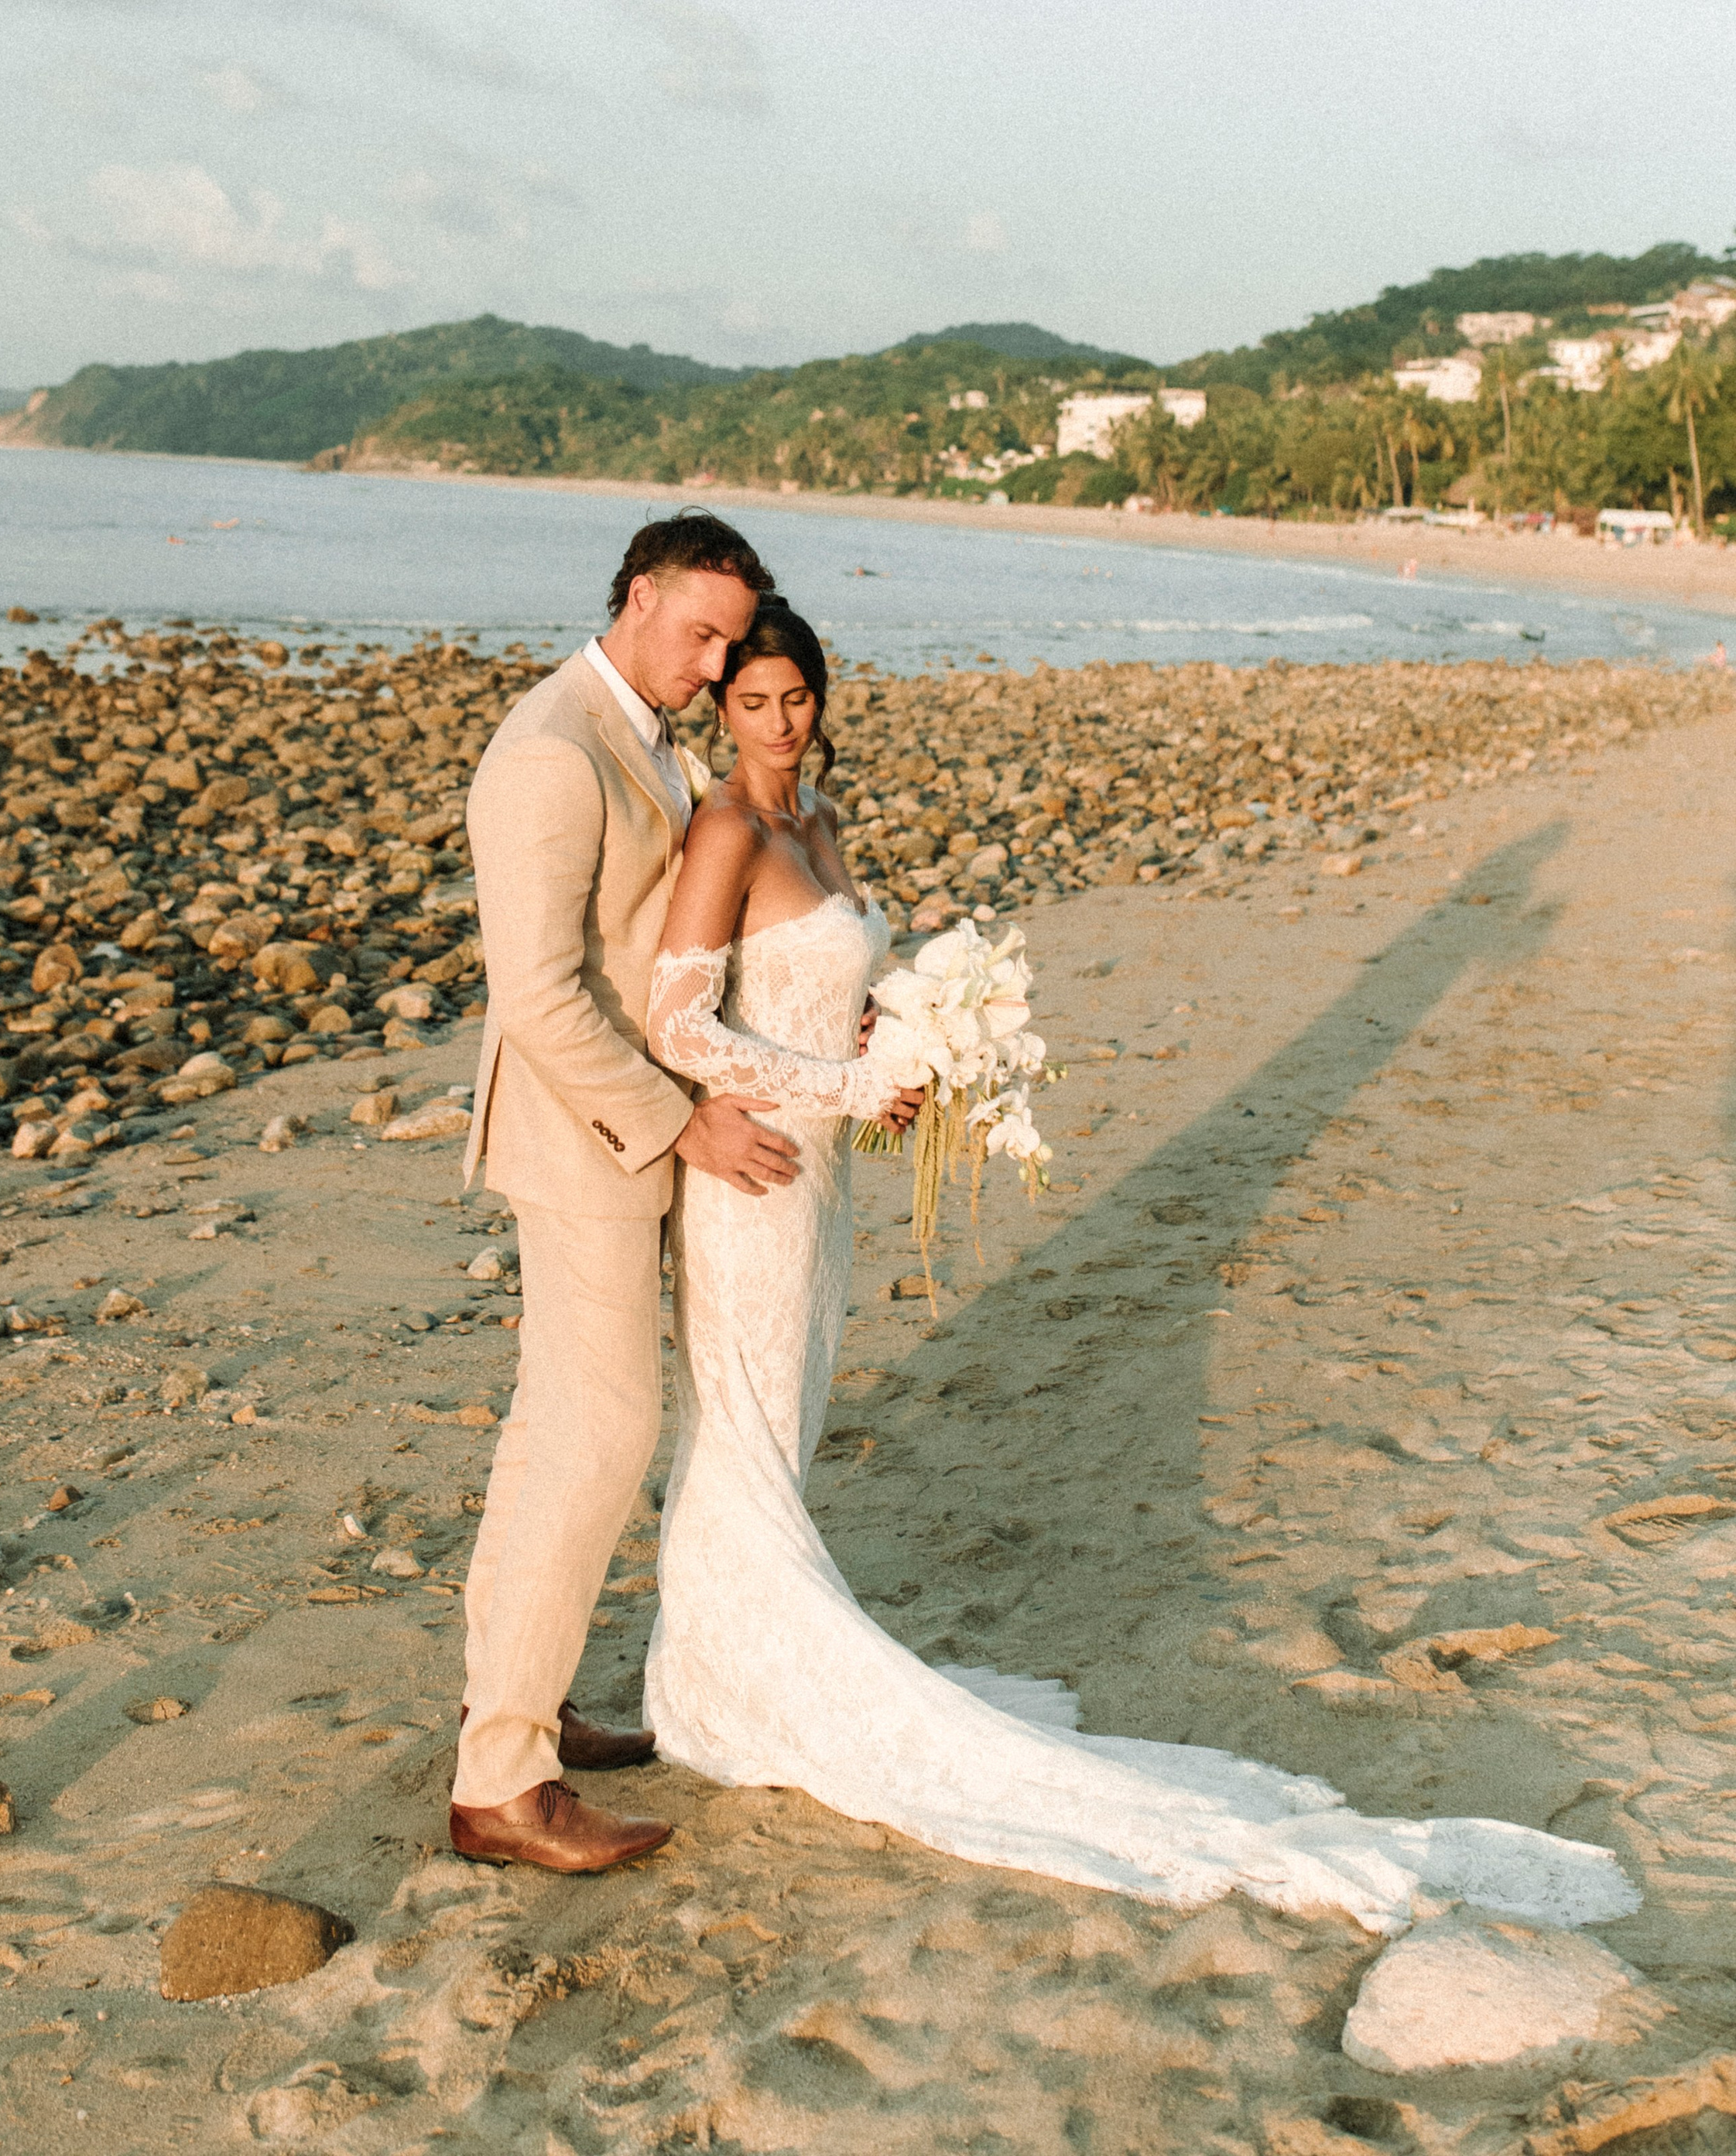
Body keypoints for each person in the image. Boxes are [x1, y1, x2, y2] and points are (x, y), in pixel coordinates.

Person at [641, 596, 1638, 1935]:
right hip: (754, 1171)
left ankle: (720, 1662)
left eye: (797, 699)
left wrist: (901, 1039)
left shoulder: (814, 821)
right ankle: (717, 1682)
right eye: (753, 703)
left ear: (822, 700)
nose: (777, 722)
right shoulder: (729, 827)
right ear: (720, 709)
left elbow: (813, 983)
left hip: (822, 1179)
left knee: (789, 1417)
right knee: (742, 1422)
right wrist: (844, 1076)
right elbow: (676, 1018)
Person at [450, 508, 820, 1875]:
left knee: (559, 1431)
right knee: (600, 1434)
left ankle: (518, 1715)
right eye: (701, 632)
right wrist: (679, 1129)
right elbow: (538, 994)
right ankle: (500, 1786)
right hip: (582, 1140)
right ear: (639, 591)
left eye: (734, 642)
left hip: (616, 1133)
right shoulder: (550, 751)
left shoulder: (639, 736)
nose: (718, 666)